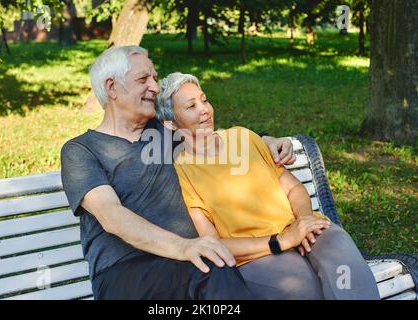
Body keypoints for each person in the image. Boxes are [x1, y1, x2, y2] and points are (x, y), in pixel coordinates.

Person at [60, 46, 295, 300]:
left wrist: (266, 140)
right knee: (213, 265)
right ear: (112, 87)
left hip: (188, 264)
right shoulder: (81, 150)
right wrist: (183, 246)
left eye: (154, 77)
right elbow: (112, 216)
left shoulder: (163, 133)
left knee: (214, 264)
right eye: (143, 79)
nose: (155, 87)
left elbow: (214, 136)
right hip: (125, 271)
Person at [155, 72, 381, 300]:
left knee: (347, 273)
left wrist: (303, 222)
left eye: (204, 100)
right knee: (302, 290)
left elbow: (293, 188)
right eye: (191, 106)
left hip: (302, 228)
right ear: (171, 123)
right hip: (259, 254)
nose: (204, 109)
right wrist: (280, 242)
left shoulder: (243, 137)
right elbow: (215, 244)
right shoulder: (182, 173)